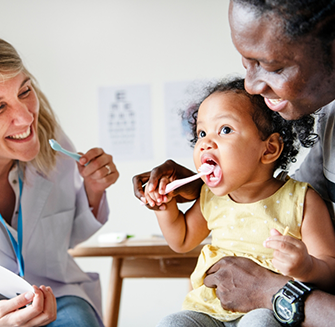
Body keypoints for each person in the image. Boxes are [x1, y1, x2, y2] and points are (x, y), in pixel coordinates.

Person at [133, 1, 335, 326]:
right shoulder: (214, 199)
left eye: (225, 130)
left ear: (269, 150)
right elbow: (182, 239)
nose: (252, 84)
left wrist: (302, 270)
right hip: (208, 311)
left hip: (268, 313)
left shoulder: (302, 200)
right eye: (200, 133)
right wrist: (166, 204)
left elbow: (327, 263)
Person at [0, 30, 119, 327]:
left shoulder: (55, 146)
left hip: (55, 294)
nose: (26, 118)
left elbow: (66, 239)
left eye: (24, 91)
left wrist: (93, 190)